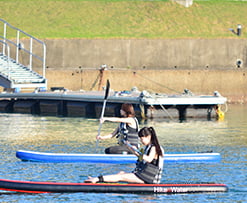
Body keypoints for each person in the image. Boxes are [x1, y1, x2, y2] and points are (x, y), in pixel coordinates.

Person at [85, 127, 164, 184]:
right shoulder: (148, 147)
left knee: (121, 177)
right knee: (121, 173)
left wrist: (137, 151)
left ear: (149, 137)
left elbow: (149, 159)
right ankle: (102, 181)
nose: (141, 141)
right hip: (144, 175)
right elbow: (141, 158)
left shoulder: (154, 147)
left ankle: (97, 179)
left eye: (142, 139)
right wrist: (131, 149)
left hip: (149, 178)